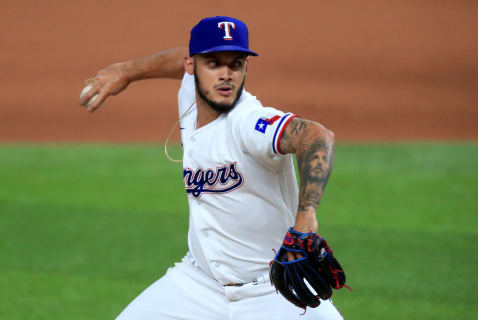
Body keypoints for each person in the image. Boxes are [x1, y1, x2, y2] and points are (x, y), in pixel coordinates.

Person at [79, 16, 344, 320]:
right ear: (192, 66)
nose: (225, 74)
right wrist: (128, 71)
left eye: (235, 64)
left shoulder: (249, 123)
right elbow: (175, 59)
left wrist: (306, 214)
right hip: (198, 285)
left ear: (246, 68)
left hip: (273, 292)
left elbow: (317, 136)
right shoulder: (190, 96)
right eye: (213, 63)